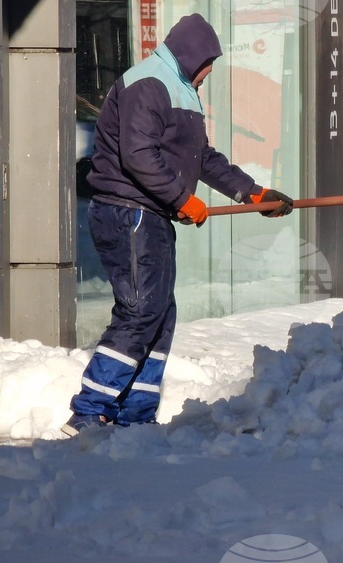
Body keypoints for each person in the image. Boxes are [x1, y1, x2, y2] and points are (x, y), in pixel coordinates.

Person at [63, 13, 293, 434]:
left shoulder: (183, 90)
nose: (209, 73)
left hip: (151, 214)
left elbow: (200, 157)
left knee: (159, 314)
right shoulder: (149, 83)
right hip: (127, 211)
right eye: (208, 63)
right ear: (192, 54)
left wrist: (251, 193)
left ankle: (135, 415)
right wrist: (181, 199)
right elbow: (137, 154)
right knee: (140, 310)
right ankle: (90, 411)